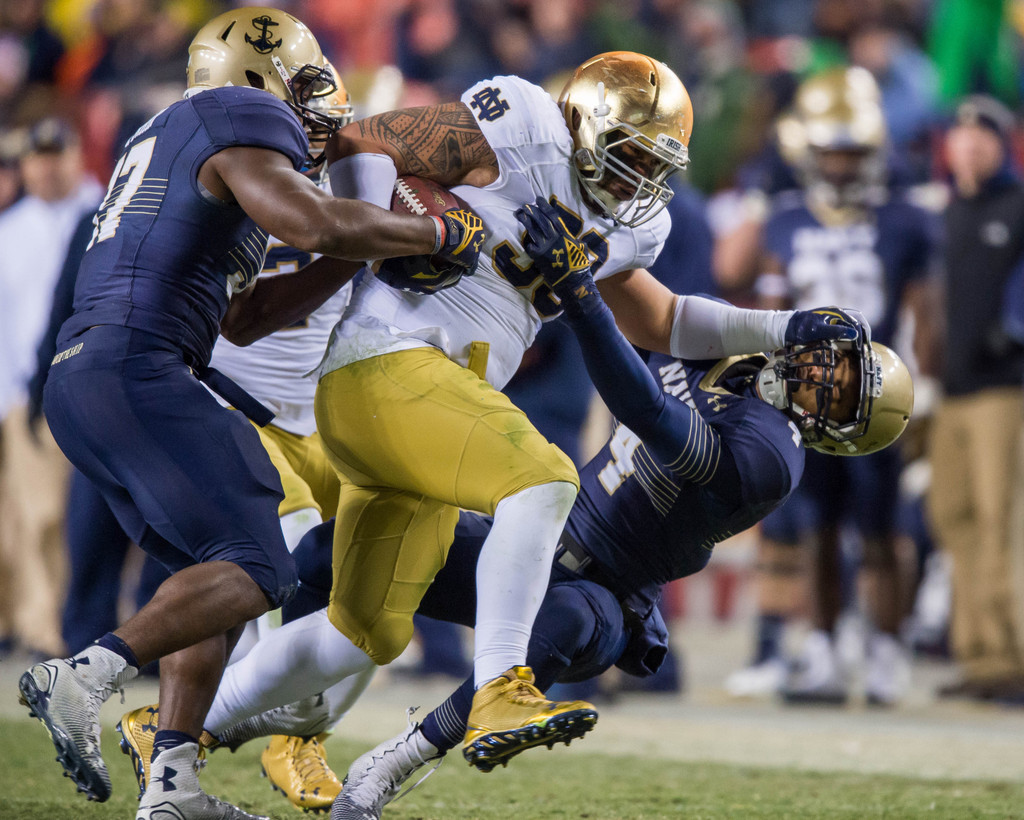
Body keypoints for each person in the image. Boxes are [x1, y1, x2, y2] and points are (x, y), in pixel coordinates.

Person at [165, 51, 866, 782]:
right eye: (627, 157)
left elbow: (665, 320)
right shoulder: (523, 123)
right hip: (387, 358)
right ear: (585, 126)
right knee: (543, 479)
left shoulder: (635, 226)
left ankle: (181, 734)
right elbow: (360, 140)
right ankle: (501, 690)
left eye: (653, 169)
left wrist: (784, 328)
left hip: (439, 399)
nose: (636, 183)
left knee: (359, 635)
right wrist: (390, 227)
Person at [16, 7, 483, 820]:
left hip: (92, 373)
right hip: (140, 365)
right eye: (303, 85)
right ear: (257, 78)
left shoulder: (171, 138)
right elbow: (307, 220)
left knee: (213, 572)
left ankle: (172, 789)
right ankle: (82, 676)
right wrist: (430, 232)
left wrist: (359, 253)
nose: (316, 107)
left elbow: (246, 316)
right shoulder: (241, 113)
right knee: (260, 567)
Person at [318, 197, 915, 818]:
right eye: (837, 366)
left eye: (840, 397)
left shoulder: (772, 458)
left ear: (836, 435)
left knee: (567, 621)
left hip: (605, 596)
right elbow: (667, 318)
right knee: (325, 554)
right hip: (538, 543)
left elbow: (649, 411)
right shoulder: (740, 354)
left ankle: (387, 766)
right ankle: (248, 717)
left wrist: (581, 297)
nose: (825, 377)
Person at [725, 66, 936, 706]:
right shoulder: (784, 217)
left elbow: (926, 307)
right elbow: (763, 298)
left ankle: (887, 650)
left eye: (852, 152)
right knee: (816, 525)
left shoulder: (905, 216)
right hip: (809, 397)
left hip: (883, 394)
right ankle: (819, 646)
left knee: (879, 529)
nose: (841, 165)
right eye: (830, 151)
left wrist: (924, 385)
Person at [930, 95, 1024, 703]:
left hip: (1004, 389)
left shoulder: (1017, 207)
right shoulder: (947, 212)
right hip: (952, 391)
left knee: (1004, 519)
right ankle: (981, 654)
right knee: (954, 516)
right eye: (961, 134)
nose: (970, 144)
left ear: (1002, 144)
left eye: (982, 135)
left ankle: (1016, 652)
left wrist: (1013, 328)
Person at [0, 117, 103, 661]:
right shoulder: (9, 230)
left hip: (94, 388)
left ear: (76, 154)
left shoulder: (110, 209)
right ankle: (45, 629)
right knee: (37, 518)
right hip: (28, 391)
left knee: (86, 519)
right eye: (36, 157)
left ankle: (85, 625)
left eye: (56, 154)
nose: (46, 166)